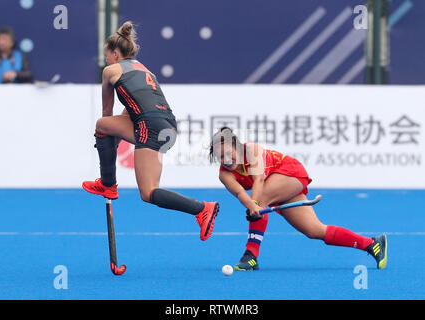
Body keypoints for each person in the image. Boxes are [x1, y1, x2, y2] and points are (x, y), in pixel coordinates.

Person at [82, 21, 219, 241]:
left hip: (150, 127)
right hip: (168, 126)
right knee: (104, 127)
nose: (106, 60)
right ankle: (107, 184)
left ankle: (202, 208)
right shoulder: (144, 69)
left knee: (148, 192)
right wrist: (110, 140)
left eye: (107, 55)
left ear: (116, 53)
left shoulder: (110, 71)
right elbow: (130, 108)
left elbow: (107, 113)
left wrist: (106, 147)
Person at [209, 127, 387, 270]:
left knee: (260, 200)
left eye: (228, 153)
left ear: (237, 147)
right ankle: (372, 244)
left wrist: (254, 204)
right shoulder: (225, 175)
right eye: (220, 157)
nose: (225, 159)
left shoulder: (252, 150)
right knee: (315, 230)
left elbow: (258, 179)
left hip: (290, 174)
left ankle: (250, 255)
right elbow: (241, 194)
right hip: (275, 191)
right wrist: (251, 206)